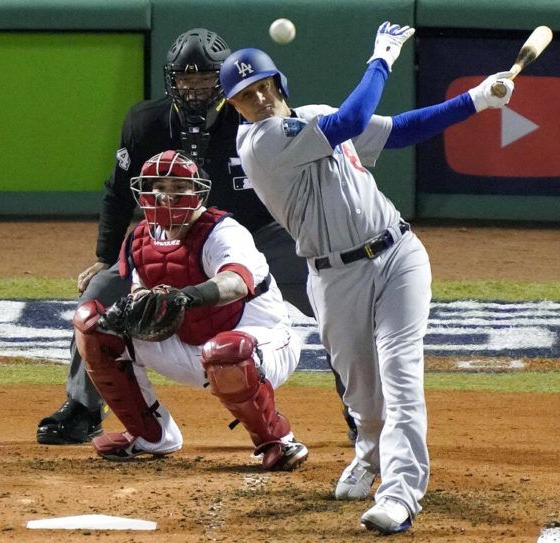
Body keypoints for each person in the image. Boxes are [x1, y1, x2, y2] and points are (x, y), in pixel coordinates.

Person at [219, 22, 514, 533]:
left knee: (400, 375)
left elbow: (398, 130)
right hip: (335, 280)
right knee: (365, 402)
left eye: (263, 86)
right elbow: (354, 115)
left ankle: (401, 494)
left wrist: (478, 99)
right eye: (245, 96)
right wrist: (382, 57)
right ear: (236, 109)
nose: (259, 99)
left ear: (279, 84)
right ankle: (371, 454)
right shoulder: (260, 143)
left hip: (399, 255)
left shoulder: (313, 118)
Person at [35, 28, 357, 445]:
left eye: (205, 78)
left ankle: (359, 409)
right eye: (185, 79)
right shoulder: (145, 122)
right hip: (175, 239)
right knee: (100, 290)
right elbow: (118, 191)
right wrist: (103, 255)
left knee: (331, 298)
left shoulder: (254, 116)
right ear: (172, 80)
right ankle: (82, 408)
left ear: (223, 82)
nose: (194, 88)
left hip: (263, 235)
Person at [73, 149, 308, 470]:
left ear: (197, 194)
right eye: (159, 188)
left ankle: (278, 440)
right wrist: (139, 308)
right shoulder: (140, 240)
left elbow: (235, 282)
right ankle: (152, 435)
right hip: (191, 345)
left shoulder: (223, 232)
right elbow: (142, 292)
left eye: (178, 188)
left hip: (261, 343)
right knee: (93, 325)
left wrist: (185, 298)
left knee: (226, 350)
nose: (166, 197)